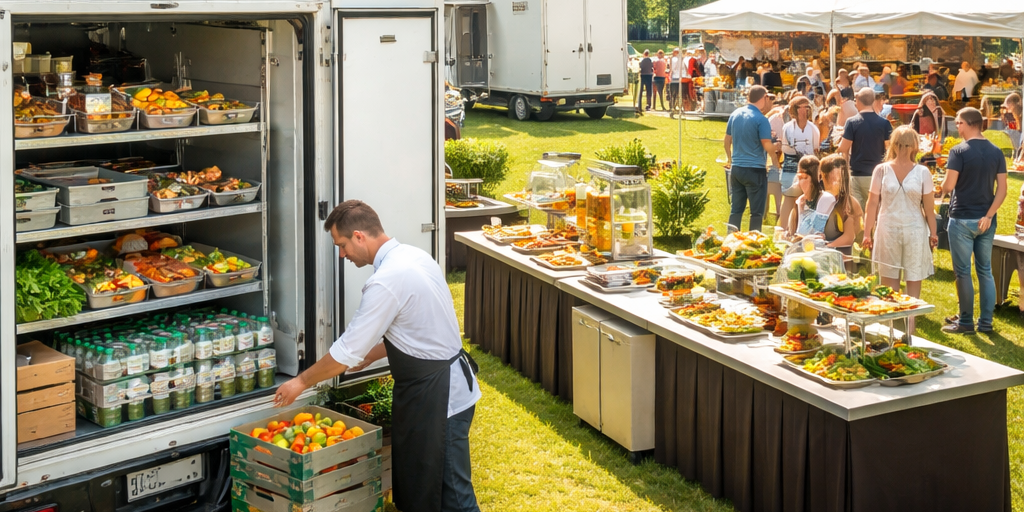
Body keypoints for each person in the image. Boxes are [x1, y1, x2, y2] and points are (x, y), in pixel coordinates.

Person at [275, 200, 482, 511]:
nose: (342, 254)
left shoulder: (385, 282)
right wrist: (375, 353)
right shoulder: (414, 256)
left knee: (454, 498)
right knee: (431, 494)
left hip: (441, 402)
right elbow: (424, 327)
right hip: (441, 391)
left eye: (342, 245)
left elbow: (345, 352)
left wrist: (300, 382)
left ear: (359, 236)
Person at [861, 126, 938, 333]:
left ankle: (906, 331)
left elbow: (929, 209)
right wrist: (867, 233)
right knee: (891, 282)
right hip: (890, 228)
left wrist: (933, 233)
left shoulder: (922, 172)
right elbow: (871, 204)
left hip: (911, 229)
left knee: (910, 280)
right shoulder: (882, 169)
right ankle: (892, 330)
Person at [940, 108, 1008, 334]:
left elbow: (949, 186)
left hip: (961, 219)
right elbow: (1003, 189)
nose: (957, 126)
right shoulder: (996, 151)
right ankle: (986, 323)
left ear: (969, 123)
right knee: (985, 271)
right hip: (986, 221)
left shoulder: (958, 151)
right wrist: (989, 215)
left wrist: (941, 185)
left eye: (958, 122)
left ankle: (966, 322)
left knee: (962, 272)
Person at [724, 85, 782, 233]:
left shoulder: (735, 114)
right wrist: (775, 160)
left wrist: (730, 159)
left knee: (736, 210)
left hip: (737, 169)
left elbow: (726, 141)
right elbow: (766, 144)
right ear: (763, 98)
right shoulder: (761, 119)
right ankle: (753, 244)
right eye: (767, 98)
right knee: (756, 213)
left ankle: (730, 240)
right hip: (755, 170)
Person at [838, 87, 892, 208]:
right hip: (878, 173)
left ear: (857, 101)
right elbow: (889, 149)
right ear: (873, 101)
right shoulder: (884, 123)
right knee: (877, 210)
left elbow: (843, 147)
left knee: (858, 212)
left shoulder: (852, 122)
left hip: (857, 174)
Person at [779, 96, 821, 230]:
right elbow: (785, 148)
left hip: (808, 169)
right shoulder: (787, 128)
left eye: (806, 108)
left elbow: (815, 150)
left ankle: (800, 230)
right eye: (800, 108)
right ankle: (783, 230)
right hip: (790, 167)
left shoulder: (813, 129)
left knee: (805, 201)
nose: (803, 111)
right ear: (794, 110)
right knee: (788, 197)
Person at [818, 154, 864, 251]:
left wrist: (824, 249)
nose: (836, 183)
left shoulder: (849, 204)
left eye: (839, 180)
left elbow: (848, 238)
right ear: (822, 176)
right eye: (833, 179)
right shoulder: (817, 199)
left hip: (842, 255)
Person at [788, 155, 834, 236]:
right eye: (798, 177)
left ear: (816, 178)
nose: (799, 183)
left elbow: (816, 232)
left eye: (803, 177)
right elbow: (798, 232)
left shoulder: (826, 198)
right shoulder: (801, 201)